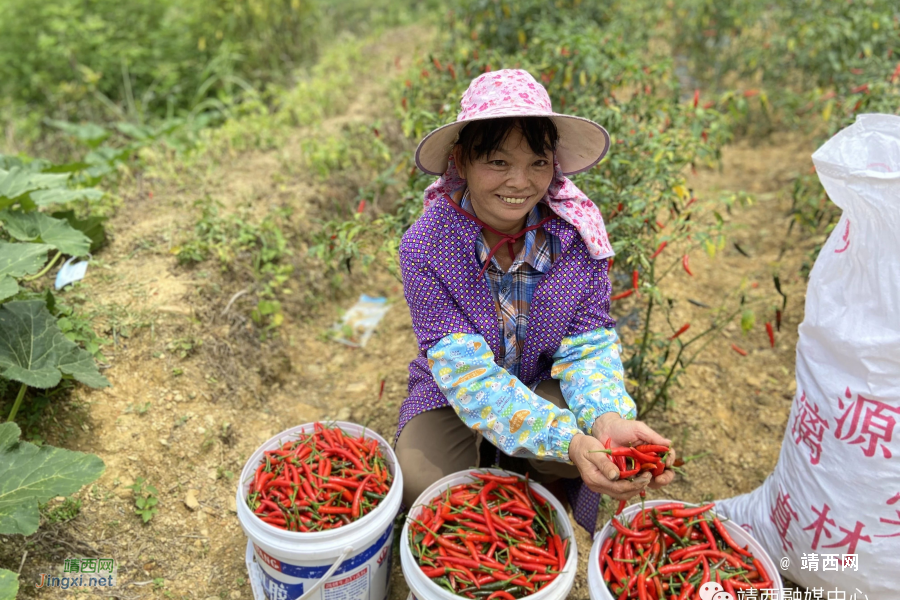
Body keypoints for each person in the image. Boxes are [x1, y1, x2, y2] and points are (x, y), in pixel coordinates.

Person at [393, 69, 675, 534]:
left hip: (539, 376)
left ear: (554, 165)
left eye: (537, 163)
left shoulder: (574, 235)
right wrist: (567, 439)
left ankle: (529, 464)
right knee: (423, 484)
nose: (520, 182)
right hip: (452, 388)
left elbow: (587, 346)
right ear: (461, 161)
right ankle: (506, 450)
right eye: (497, 162)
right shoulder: (427, 246)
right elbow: (468, 377)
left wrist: (603, 421)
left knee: (588, 448)